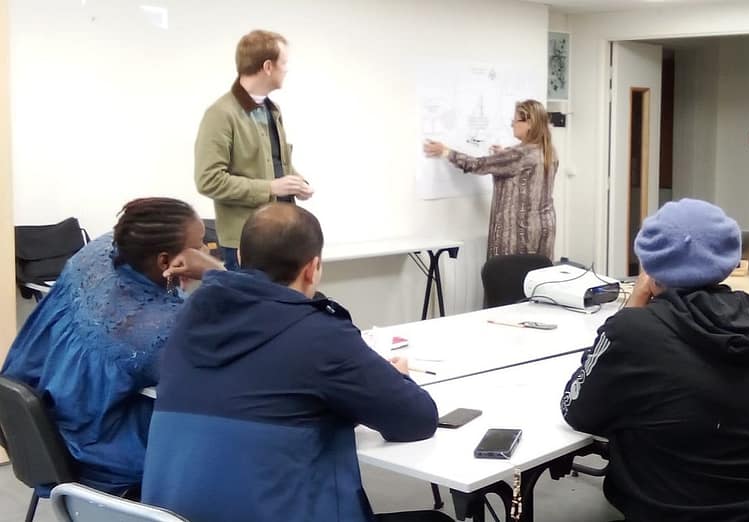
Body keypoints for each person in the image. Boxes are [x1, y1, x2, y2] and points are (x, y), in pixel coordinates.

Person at [142, 203, 451, 522]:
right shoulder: (320, 335)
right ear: (312, 268)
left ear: (240, 258)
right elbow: (417, 420)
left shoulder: (188, 318)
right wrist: (395, 375)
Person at [560, 198, 749, 521]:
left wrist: (635, 302)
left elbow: (575, 409)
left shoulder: (633, 332)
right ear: (728, 263)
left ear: (650, 267)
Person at [1, 197, 224, 495]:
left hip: (38, 423)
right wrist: (217, 272)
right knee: (222, 439)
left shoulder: (96, 253)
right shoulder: (158, 330)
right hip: (88, 454)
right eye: (199, 246)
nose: (206, 251)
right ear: (164, 261)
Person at [195, 29, 313, 271]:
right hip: (245, 244)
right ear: (268, 67)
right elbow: (208, 180)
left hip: (283, 236)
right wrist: (270, 188)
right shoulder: (220, 114)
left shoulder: (273, 110)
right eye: (284, 63)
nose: (287, 69)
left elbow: (277, 162)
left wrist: (299, 182)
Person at [423, 99, 557, 260]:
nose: (512, 124)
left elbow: (477, 165)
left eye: (515, 120)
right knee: (538, 274)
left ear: (529, 123)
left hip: (519, 235)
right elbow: (523, 170)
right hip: (543, 229)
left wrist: (445, 152)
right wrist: (504, 155)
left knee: (508, 275)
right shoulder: (548, 150)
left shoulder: (519, 155)